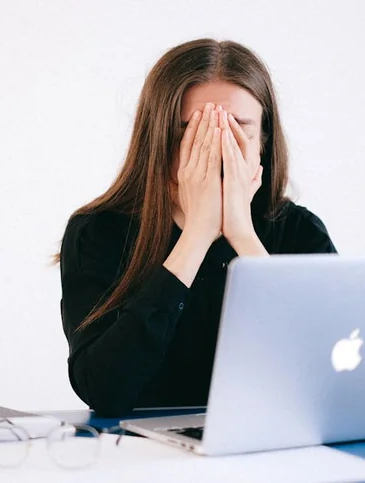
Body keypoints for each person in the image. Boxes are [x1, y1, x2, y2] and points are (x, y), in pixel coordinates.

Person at [57, 39, 337, 416]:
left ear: (263, 143)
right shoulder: (96, 233)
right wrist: (197, 236)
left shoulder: (299, 231)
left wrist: (242, 235)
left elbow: (327, 375)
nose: (217, 149)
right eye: (192, 132)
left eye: (238, 130)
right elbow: (105, 389)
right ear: (158, 141)